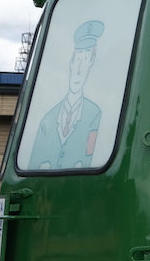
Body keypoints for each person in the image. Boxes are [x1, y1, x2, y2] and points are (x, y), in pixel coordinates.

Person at [27, 21, 104, 170]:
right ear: (71, 62)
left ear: (92, 62)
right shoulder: (47, 120)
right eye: (78, 59)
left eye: (86, 59)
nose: (79, 69)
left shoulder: (94, 115)